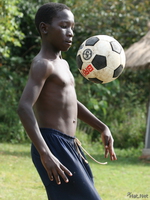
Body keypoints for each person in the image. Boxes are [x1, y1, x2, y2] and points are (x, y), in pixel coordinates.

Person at [17, 2, 117, 200]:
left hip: (70, 145)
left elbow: (71, 103)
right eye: (64, 26)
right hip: (53, 145)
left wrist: (102, 127)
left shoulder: (62, 63)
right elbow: (23, 107)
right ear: (44, 28)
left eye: (72, 27)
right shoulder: (42, 64)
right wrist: (45, 153)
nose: (70, 32)